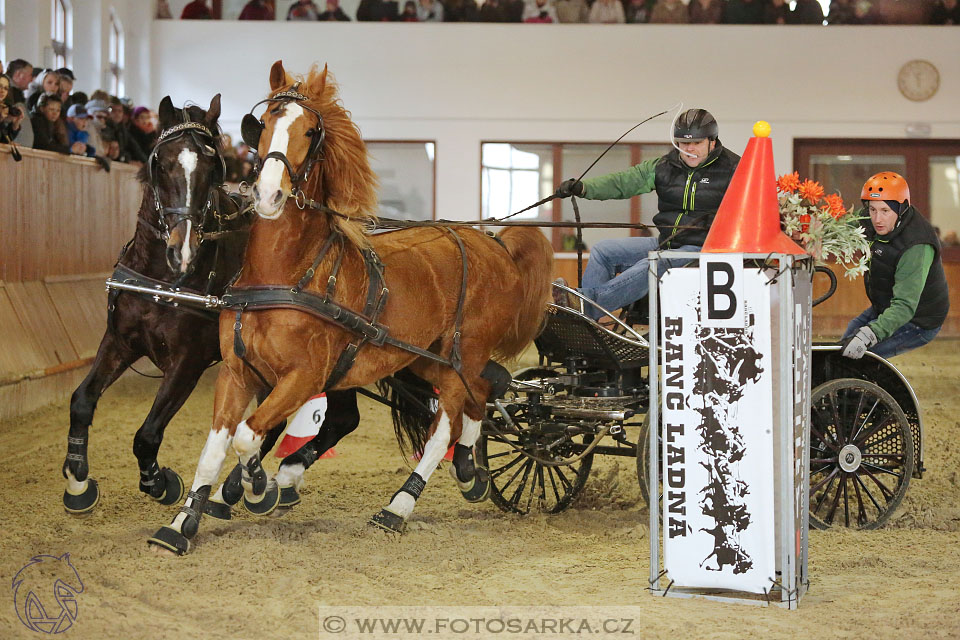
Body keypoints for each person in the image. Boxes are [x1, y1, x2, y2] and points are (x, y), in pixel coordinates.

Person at [552, 109, 740, 320]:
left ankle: (585, 308)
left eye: (696, 143)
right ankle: (589, 326)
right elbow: (623, 182)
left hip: (705, 248)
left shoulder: (735, 169)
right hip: (668, 241)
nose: (689, 149)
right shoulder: (663, 166)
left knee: (653, 264)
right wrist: (583, 187)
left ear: (712, 142)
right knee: (603, 251)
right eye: (683, 143)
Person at [840, 172, 949, 360]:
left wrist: (870, 334)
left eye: (885, 211)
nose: (877, 219)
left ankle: (868, 387)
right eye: (872, 209)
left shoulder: (916, 246)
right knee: (844, 345)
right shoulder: (869, 218)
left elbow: (905, 306)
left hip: (918, 319)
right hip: (886, 304)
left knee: (860, 356)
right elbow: (841, 229)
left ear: (901, 208)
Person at [1, 74, 26, 143]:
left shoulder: (3, 108)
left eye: (6, 88)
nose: (2, 91)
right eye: (0, 86)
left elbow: (3, 141)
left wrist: (15, 125)